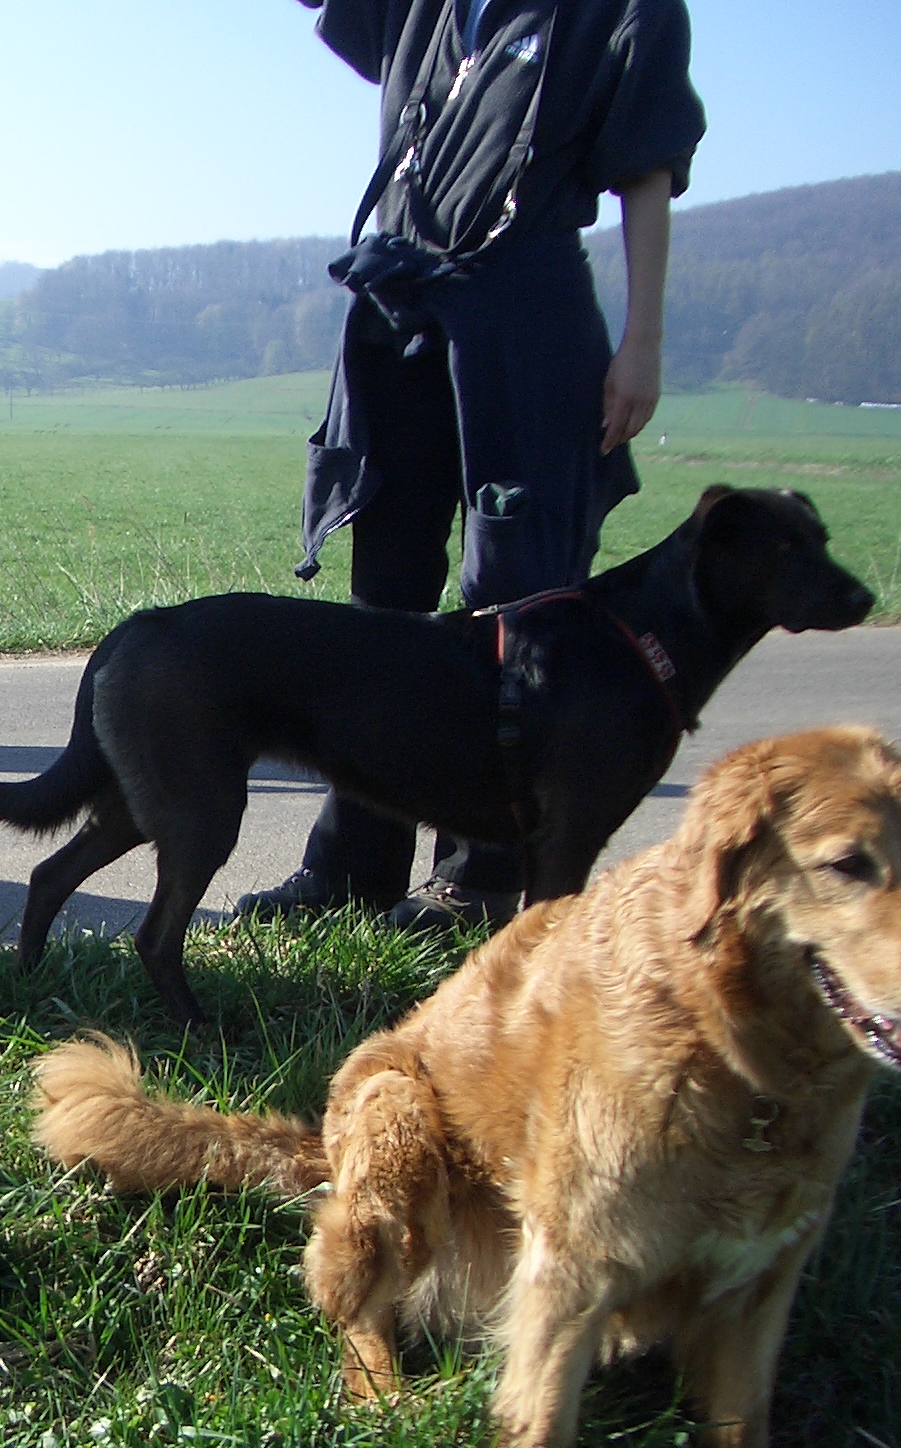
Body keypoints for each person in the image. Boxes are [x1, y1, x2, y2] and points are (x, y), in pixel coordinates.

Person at [238, 0, 705, 932]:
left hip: (528, 313)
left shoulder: (625, 9)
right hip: (400, 302)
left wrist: (643, 341)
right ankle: (354, 869)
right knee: (384, 600)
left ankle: (481, 875)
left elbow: (646, 169)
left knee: (518, 605)